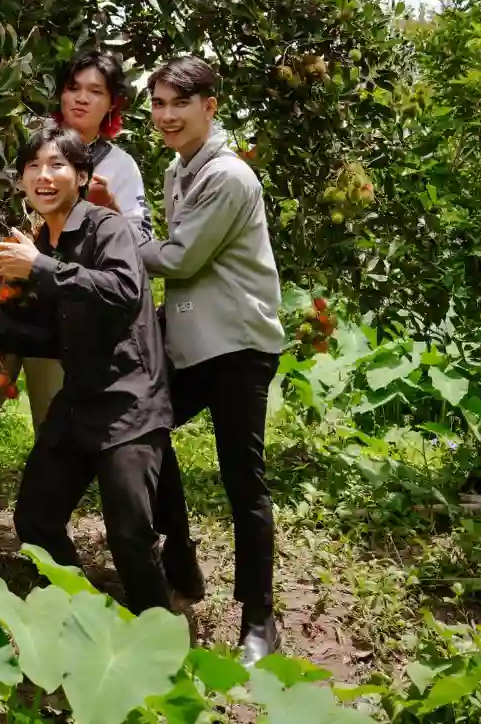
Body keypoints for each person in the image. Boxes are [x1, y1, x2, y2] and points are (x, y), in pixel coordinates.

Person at [0, 127, 173, 614]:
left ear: (81, 177)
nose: (44, 175)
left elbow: (123, 291)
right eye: (33, 167)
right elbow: (48, 337)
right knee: (36, 520)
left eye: (57, 165)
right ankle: (88, 613)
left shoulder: (107, 228)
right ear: (21, 181)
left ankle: (162, 643)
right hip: (78, 403)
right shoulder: (44, 243)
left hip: (129, 404)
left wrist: (39, 267)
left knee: (129, 536)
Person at [139, 56, 286, 664]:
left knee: (242, 482)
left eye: (180, 103)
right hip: (192, 346)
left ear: (210, 107)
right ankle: (182, 560)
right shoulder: (179, 171)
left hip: (239, 348)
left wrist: (108, 239)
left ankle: (259, 618)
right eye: (158, 104)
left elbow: (179, 260)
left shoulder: (229, 177)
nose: (167, 115)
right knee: (143, 426)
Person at [0, 50, 152, 438]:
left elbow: (139, 250)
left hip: (63, 312)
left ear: (112, 103)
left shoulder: (121, 167)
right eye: (73, 88)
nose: (81, 98)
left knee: (57, 425)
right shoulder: (27, 138)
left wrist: (108, 208)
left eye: (95, 91)